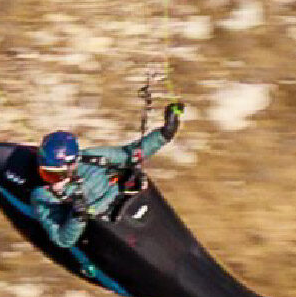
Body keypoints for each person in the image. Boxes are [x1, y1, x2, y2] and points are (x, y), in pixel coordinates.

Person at [31, 101, 184, 249]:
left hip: (130, 206)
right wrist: (77, 217)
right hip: (110, 231)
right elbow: (62, 240)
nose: (53, 183)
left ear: (73, 164)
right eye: (46, 174)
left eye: (55, 176)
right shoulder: (43, 196)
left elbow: (130, 154)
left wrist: (164, 134)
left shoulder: (93, 159)